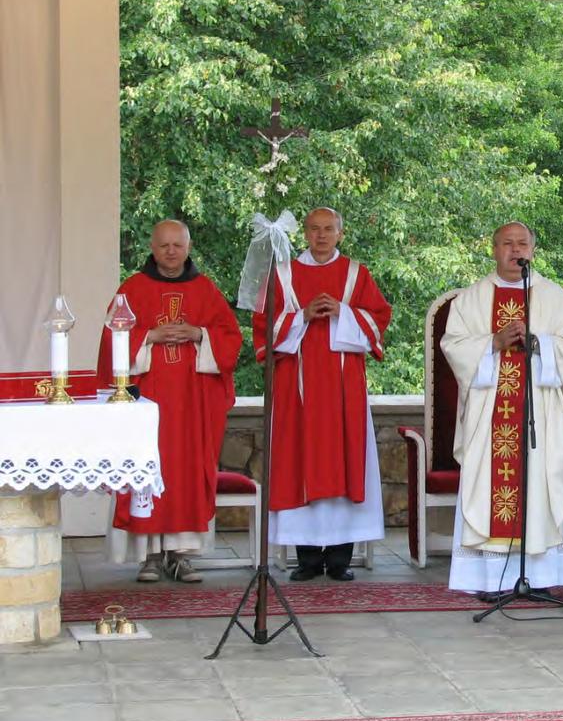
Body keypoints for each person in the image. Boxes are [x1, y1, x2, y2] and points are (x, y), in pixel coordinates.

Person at [441, 221, 563, 594]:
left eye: (522, 243)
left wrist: (539, 343)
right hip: (490, 414)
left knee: (538, 484)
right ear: (494, 249)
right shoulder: (472, 299)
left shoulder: (555, 298)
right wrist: (492, 342)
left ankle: (539, 576)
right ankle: (489, 578)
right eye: (507, 243)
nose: (515, 250)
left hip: (539, 413)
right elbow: (453, 346)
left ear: (533, 249)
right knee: (490, 485)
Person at [98, 220, 242, 583]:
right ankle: (148, 556)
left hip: (192, 407)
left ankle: (180, 555)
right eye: (164, 245)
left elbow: (229, 339)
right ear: (153, 246)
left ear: (188, 246)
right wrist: (149, 336)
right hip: (147, 404)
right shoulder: (132, 288)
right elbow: (112, 341)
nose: (171, 252)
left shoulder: (205, 290)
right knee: (147, 469)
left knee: (186, 474)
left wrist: (198, 333)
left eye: (178, 245)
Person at [253, 206, 392, 581]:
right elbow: (263, 328)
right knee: (300, 463)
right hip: (296, 392)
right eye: (314, 229)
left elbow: (378, 319)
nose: (321, 236)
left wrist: (343, 311)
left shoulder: (355, 274)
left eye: (329, 229)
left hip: (343, 391)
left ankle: (341, 559)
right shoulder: (283, 276)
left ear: (340, 234)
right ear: (306, 234)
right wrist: (302, 315)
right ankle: (308, 559)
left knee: (345, 463)